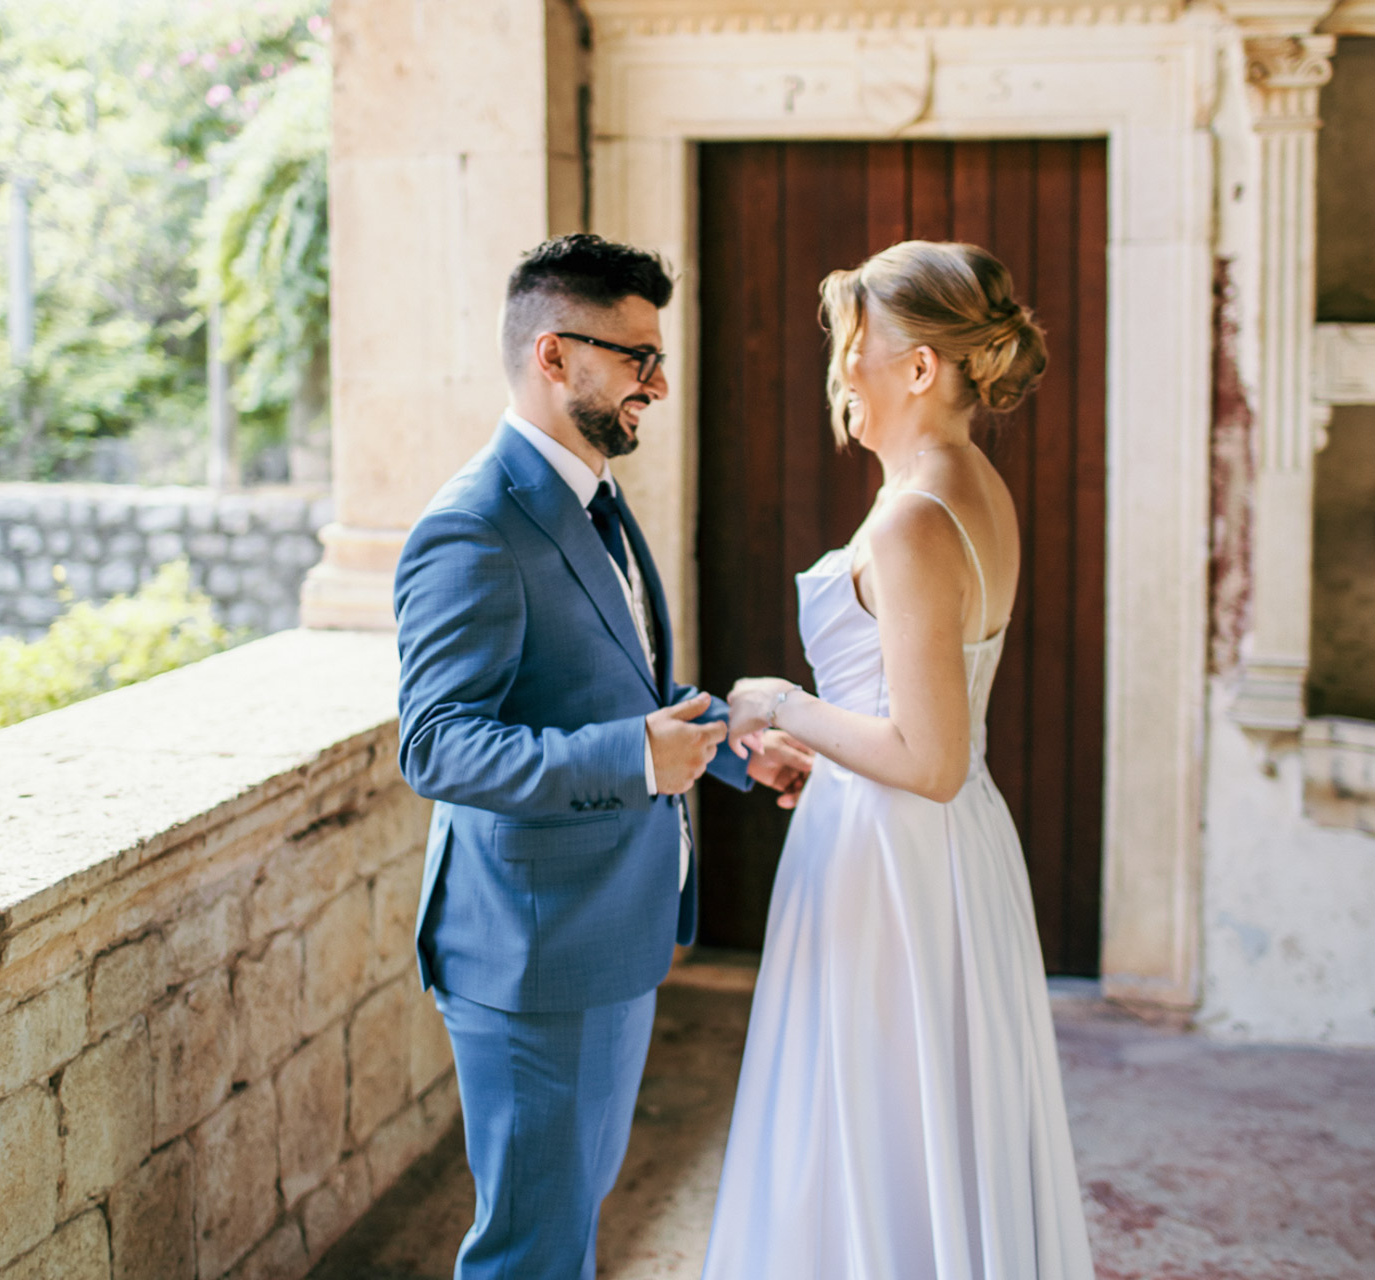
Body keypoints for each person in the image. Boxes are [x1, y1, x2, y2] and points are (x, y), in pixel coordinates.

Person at [393, 234, 812, 1280]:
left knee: (566, 1229)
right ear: (552, 355)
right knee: (529, 1249)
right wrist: (634, 758)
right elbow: (438, 743)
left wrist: (726, 751)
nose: (658, 384)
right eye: (635, 358)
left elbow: (617, 695)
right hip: (533, 956)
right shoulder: (473, 526)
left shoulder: (596, 498)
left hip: (605, 936)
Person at [705, 241, 1097, 1278]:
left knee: (873, 1115)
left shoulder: (919, 515)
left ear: (920, 368)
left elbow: (929, 757)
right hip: (917, 844)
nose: (843, 374)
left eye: (854, 349)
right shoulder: (962, 487)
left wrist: (777, 700)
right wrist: (815, 742)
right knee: (903, 1117)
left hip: (895, 853)